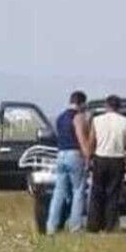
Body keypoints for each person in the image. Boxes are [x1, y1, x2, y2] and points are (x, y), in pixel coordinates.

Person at [86, 94, 126, 232]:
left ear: (106, 106)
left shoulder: (97, 120)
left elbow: (91, 141)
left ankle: (93, 225)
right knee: (113, 194)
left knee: (97, 192)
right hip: (117, 159)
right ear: (119, 107)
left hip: (100, 158)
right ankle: (110, 225)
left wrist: (88, 159)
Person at [46, 90, 90, 234]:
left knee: (59, 191)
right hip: (74, 154)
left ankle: (51, 226)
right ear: (81, 103)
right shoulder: (78, 117)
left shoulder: (60, 118)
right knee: (78, 190)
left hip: (61, 154)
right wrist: (87, 156)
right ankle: (75, 226)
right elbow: (81, 137)